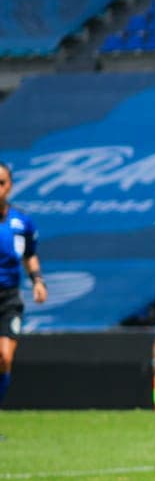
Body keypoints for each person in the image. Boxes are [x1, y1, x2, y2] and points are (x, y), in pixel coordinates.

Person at [0, 161, 46, 421]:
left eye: (1, 182)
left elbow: (30, 255)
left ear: (10, 186)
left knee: (4, 358)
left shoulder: (21, 222)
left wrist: (38, 281)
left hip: (8, 297)